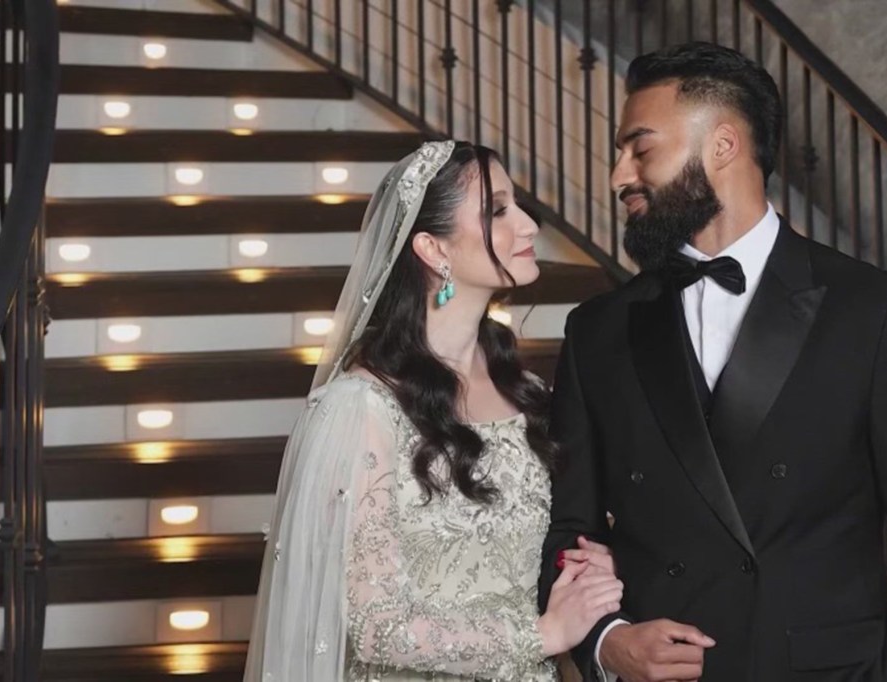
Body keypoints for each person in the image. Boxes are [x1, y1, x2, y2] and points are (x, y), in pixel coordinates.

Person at [540, 42, 887, 682]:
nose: (618, 176)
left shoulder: (874, 313)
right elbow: (568, 528)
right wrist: (607, 642)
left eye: (640, 148)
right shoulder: (598, 330)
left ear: (722, 146)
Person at [244, 140, 624, 681]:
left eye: (516, 207)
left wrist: (588, 571)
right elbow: (376, 625)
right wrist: (544, 633)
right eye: (497, 212)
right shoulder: (361, 409)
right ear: (431, 248)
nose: (528, 226)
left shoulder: (528, 390)